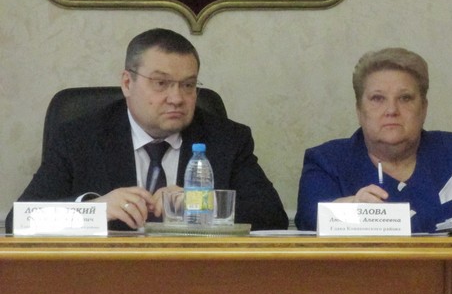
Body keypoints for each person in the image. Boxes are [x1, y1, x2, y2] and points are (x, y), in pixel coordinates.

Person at [5, 28, 288, 232]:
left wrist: (198, 203)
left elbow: (272, 216)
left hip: (198, 280)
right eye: (161, 83)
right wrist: (94, 210)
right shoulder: (78, 138)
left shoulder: (226, 139)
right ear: (127, 83)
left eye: (188, 85)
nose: (177, 98)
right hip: (105, 280)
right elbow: (19, 220)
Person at [295, 47, 452, 233]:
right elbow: (310, 220)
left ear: (423, 108)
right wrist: (351, 209)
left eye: (405, 98)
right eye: (378, 98)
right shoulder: (326, 162)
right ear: (359, 110)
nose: (391, 110)